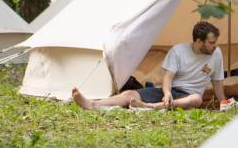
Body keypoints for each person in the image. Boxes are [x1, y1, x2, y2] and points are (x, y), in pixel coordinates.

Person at [72, 21, 226, 110]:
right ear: (198, 41)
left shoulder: (216, 53)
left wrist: (223, 102)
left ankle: (151, 107)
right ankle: (92, 104)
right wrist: (167, 93)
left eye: (215, 42)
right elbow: (168, 77)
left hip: (190, 96)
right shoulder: (178, 51)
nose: (215, 46)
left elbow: (217, 82)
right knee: (129, 94)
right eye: (211, 42)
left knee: (197, 99)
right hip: (170, 91)